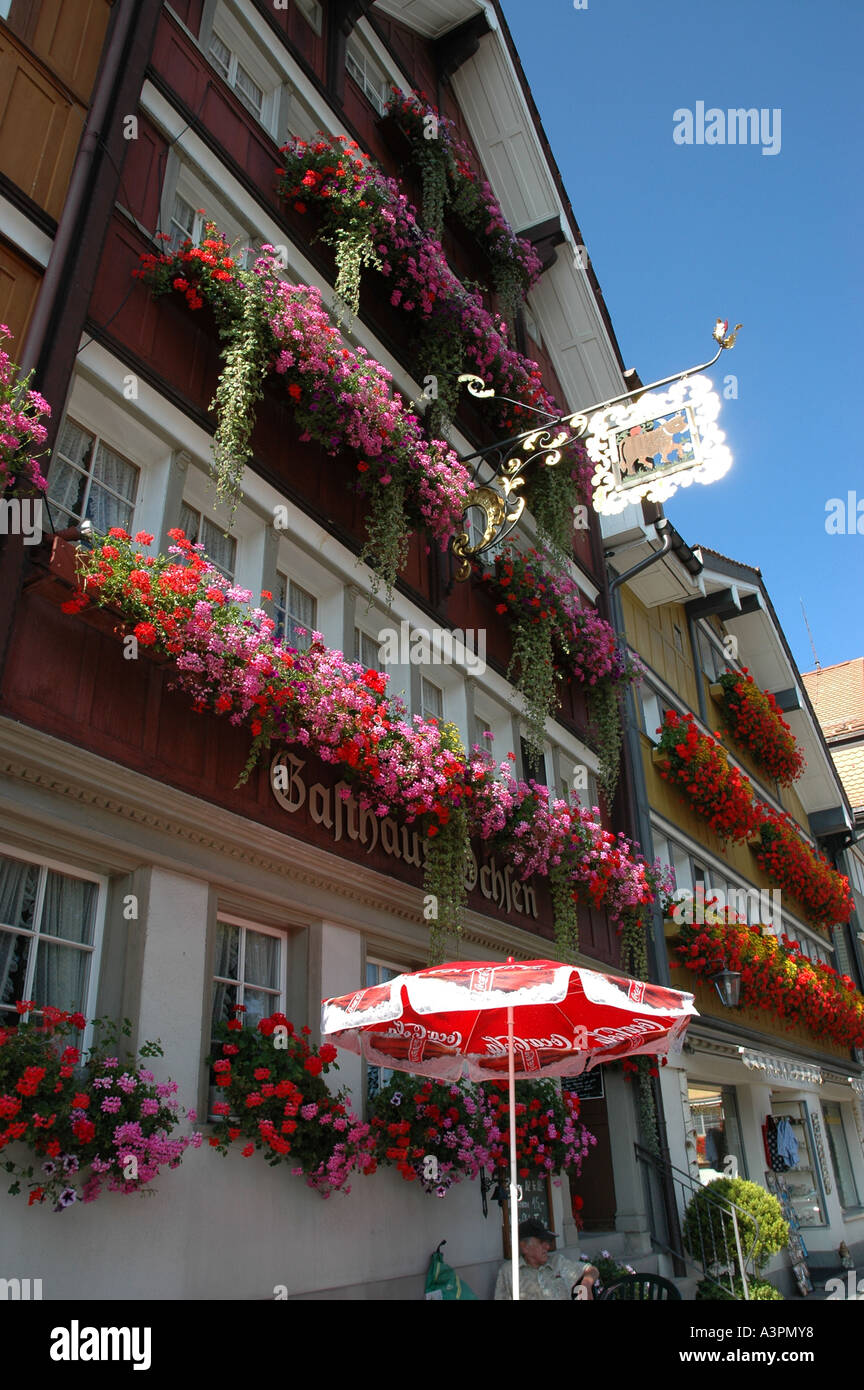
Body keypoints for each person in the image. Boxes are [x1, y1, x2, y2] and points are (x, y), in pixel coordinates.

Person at [493, 1219, 599, 1300]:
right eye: (541, 1242)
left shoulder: (558, 1262)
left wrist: (586, 1284)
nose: (547, 1247)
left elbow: (592, 1270)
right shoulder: (509, 1272)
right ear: (524, 1246)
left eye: (547, 1242)